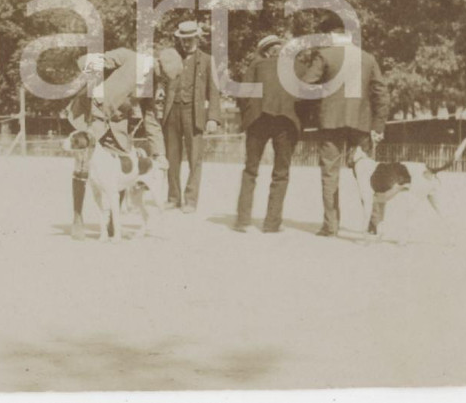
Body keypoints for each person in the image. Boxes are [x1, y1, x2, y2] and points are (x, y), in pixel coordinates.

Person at [63, 47, 170, 241]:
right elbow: (87, 62)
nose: (158, 79)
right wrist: (94, 75)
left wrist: (160, 153)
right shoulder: (127, 57)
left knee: (120, 172)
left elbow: (151, 119)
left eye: (162, 79)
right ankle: (78, 217)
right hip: (90, 116)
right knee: (83, 167)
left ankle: (113, 221)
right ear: (156, 62)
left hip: (117, 125)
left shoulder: (153, 85)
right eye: (158, 72)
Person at [302, 14, 389, 237]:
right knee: (368, 176)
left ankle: (330, 226)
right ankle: (375, 223)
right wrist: (378, 127)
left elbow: (306, 86)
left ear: (332, 34)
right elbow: (381, 94)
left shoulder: (325, 55)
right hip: (361, 124)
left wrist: (321, 103)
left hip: (330, 122)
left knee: (330, 174)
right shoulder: (367, 58)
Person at [235, 34, 303, 233]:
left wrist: (247, 116)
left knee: (250, 170)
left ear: (265, 51)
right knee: (281, 174)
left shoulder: (257, 65)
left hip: (258, 120)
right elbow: (307, 98)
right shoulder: (298, 66)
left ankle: (242, 220)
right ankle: (272, 224)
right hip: (287, 123)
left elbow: (243, 95)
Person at [161, 21, 222, 213]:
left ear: (196, 37)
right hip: (172, 112)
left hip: (194, 113)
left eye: (189, 39)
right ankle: (173, 197)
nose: (186, 43)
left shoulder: (206, 59)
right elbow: (161, 81)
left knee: (195, 158)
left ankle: (190, 200)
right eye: (182, 40)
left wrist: (212, 117)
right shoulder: (172, 57)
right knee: (171, 157)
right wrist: (160, 94)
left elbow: (214, 90)